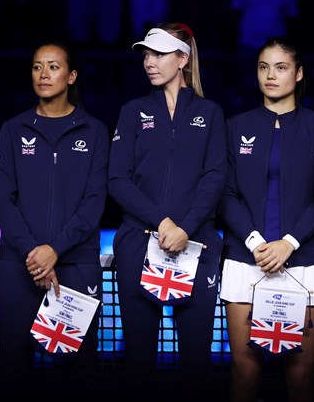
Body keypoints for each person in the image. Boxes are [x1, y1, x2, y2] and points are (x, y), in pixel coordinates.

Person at [107, 22, 226, 394]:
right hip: (139, 245)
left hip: (197, 247)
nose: (149, 62)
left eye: (158, 53)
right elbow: (117, 179)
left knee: (196, 367)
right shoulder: (132, 111)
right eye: (146, 54)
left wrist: (185, 229)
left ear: (182, 58)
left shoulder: (209, 113)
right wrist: (163, 222)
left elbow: (215, 177)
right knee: (139, 366)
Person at [0, 42, 109, 395]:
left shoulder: (95, 131)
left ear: (71, 76)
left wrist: (55, 249)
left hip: (76, 267)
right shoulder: (13, 130)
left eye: (53, 66)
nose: (43, 74)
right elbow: (0, 198)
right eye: (37, 66)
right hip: (19, 265)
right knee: (12, 370)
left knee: (80, 374)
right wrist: (35, 254)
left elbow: (94, 200)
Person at [219, 37, 314, 402]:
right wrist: (255, 242)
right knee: (245, 372)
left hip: (303, 260)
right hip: (244, 258)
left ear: (298, 74)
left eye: (281, 67)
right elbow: (225, 193)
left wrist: (290, 243)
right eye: (264, 67)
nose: (271, 75)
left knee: (300, 377)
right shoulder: (236, 126)